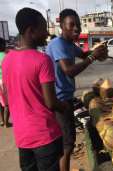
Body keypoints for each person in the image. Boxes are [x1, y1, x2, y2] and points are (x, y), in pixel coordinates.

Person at [2, 8, 68, 171]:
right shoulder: (43, 60)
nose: (47, 33)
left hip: (22, 137)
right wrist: (65, 107)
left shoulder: (7, 59)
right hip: (45, 136)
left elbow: (9, 98)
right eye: (43, 28)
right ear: (31, 31)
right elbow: (51, 103)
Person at [46, 9, 108, 171]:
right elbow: (69, 70)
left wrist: (98, 53)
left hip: (66, 97)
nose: (76, 29)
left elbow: (83, 54)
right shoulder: (58, 44)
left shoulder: (69, 44)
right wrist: (92, 57)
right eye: (71, 25)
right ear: (61, 26)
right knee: (67, 144)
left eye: (78, 25)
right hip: (59, 101)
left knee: (67, 141)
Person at [0, 38, 10, 128]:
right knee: (7, 104)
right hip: (3, 81)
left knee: (1, 103)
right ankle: (6, 123)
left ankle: (2, 121)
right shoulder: (6, 56)